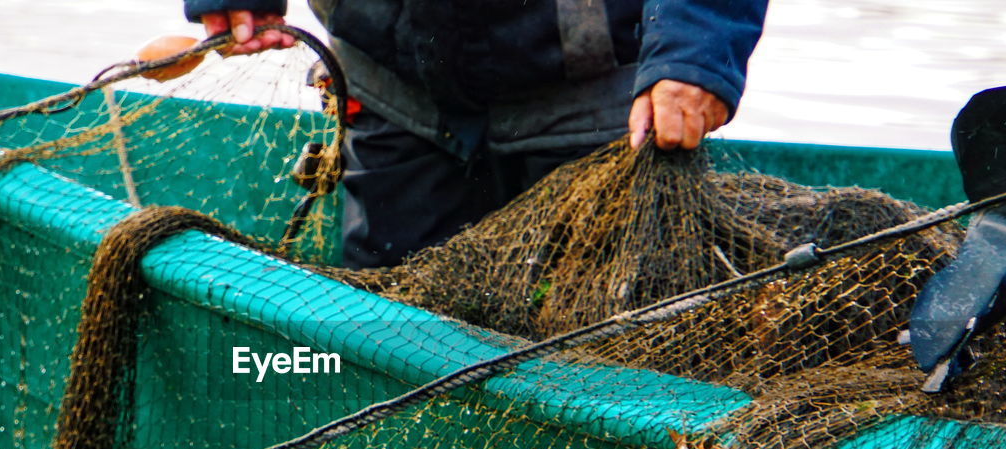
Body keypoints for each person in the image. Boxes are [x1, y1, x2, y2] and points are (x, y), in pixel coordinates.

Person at [177, 1, 768, 268]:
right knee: (381, 341)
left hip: (593, 111)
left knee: (598, 357)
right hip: (396, 91)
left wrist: (694, 55)